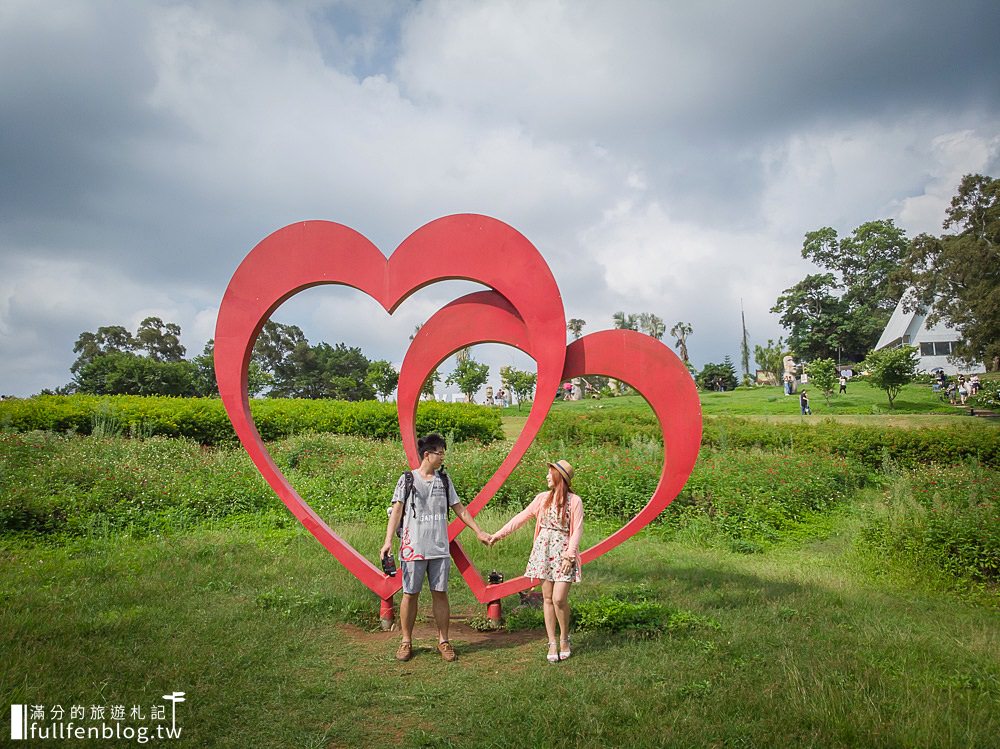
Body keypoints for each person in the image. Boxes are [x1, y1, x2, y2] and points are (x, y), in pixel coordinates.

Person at [381, 433, 490, 663]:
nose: (442, 457)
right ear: (427, 454)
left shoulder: (444, 481)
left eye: (443, 452)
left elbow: (459, 508)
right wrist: (388, 541)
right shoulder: (407, 479)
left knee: (440, 594)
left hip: (439, 549)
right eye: (439, 452)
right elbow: (397, 510)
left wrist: (478, 531)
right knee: (410, 594)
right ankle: (406, 641)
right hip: (413, 548)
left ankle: (444, 641)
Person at [488, 460, 583, 663]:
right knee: (547, 599)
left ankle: (565, 637)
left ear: (559, 477)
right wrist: (498, 535)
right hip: (543, 552)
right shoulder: (542, 498)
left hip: (564, 553)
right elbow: (521, 517)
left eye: (550, 474)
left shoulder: (575, 501)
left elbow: (577, 530)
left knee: (559, 599)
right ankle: (552, 642)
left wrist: (570, 555)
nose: (547, 477)